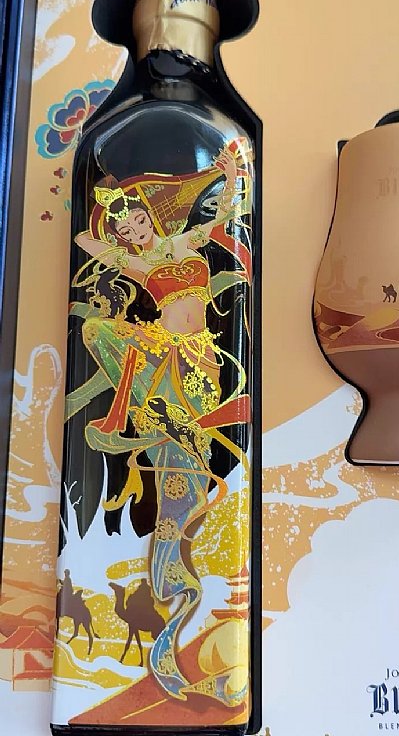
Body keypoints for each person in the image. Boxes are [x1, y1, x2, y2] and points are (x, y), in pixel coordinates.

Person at [68, 142, 251, 704]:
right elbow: (85, 242)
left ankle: (174, 578)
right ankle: (151, 415)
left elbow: (226, 216)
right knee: (97, 331)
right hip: (158, 355)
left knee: (182, 477)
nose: (135, 232)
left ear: (154, 216)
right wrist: (102, 201)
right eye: (127, 232)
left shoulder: (186, 243)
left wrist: (228, 175)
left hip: (198, 362)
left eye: (140, 220)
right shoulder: (138, 264)